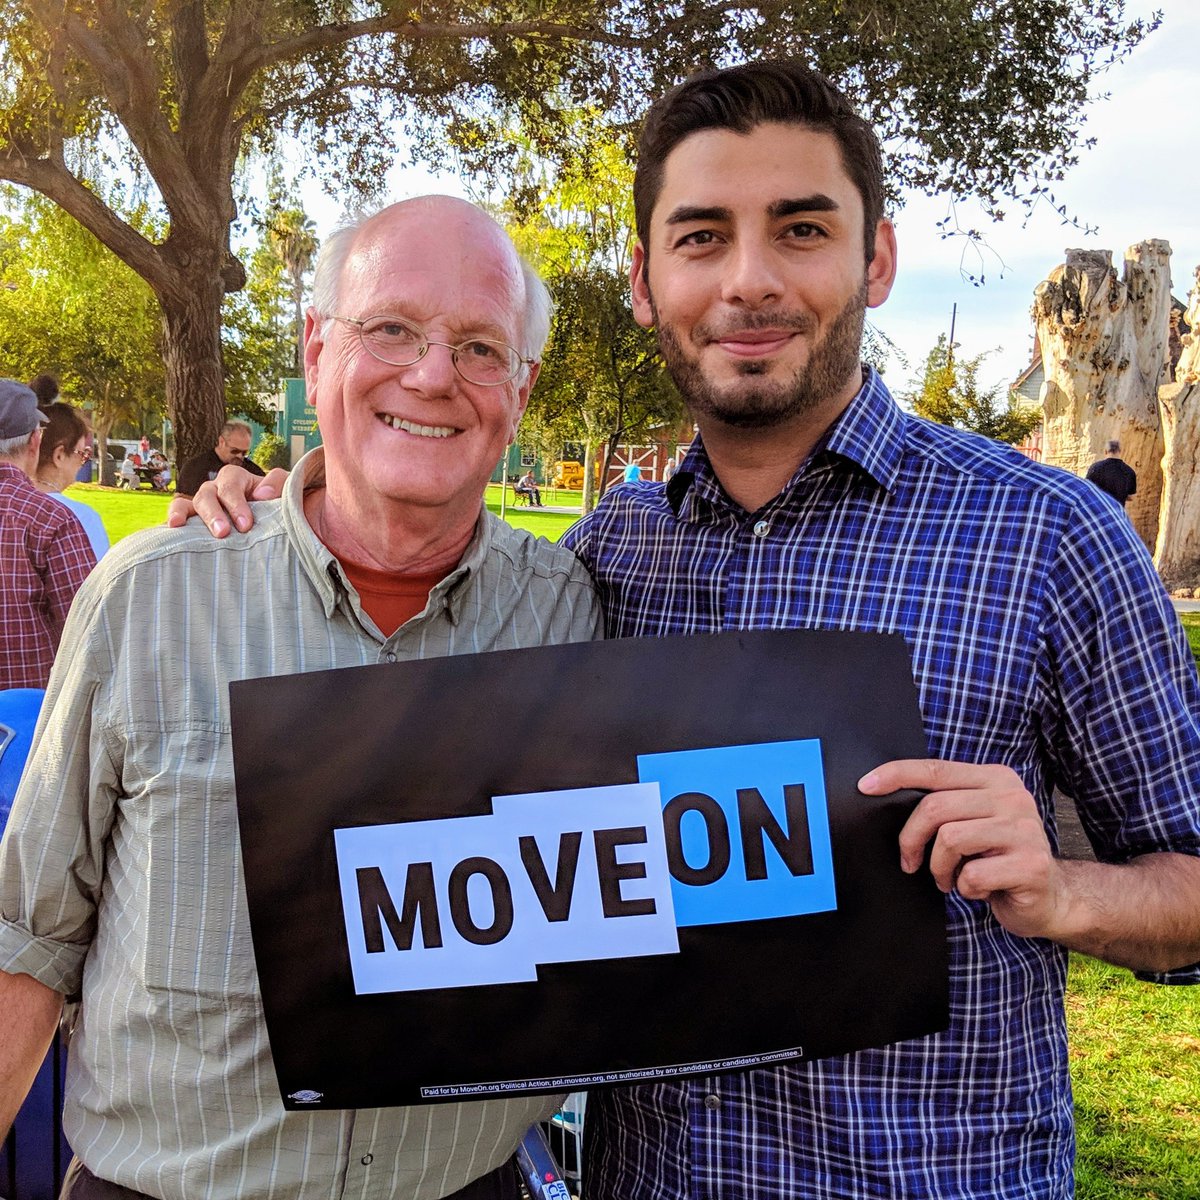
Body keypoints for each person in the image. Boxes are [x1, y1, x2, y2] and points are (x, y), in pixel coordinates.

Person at [185, 63, 1200, 1200]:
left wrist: (1067, 890)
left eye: (802, 229)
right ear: (645, 281)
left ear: (876, 259)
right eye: (702, 237)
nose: (748, 280)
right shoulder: (597, 563)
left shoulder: (1048, 537)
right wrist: (286, 509)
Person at [0, 196, 600, 1199]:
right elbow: (28, 933)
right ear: (318, 352)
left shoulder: (575, 614)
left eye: (479, 347)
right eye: (391, 328)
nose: (433, 375)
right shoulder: (151, 599)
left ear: (521, 388)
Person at [0, 380, 96, 689]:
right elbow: (89, 630)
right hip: (30, 710)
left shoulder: (50, 518)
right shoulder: (50, 518)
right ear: (34, 442)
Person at [33, 401, 110, 560]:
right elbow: (100, 574)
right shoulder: (80, 517)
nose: (81, 463)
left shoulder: (9, 507)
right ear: (59, 455)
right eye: (82, 454)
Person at [175, 419, 265, 497]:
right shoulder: (195, 467)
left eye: (244, 452)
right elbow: (182, 499)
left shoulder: (253, 471)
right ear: (221, 442)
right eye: (235, 451)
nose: (239, 456)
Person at [1086, 437, 1138, 507]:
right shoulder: (1129, 471)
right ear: (1120, 451)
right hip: (1117, 511)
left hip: (1098, 510)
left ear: (1105, 451)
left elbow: (1087, 490)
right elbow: (1131, 497)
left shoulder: (1095, 468)